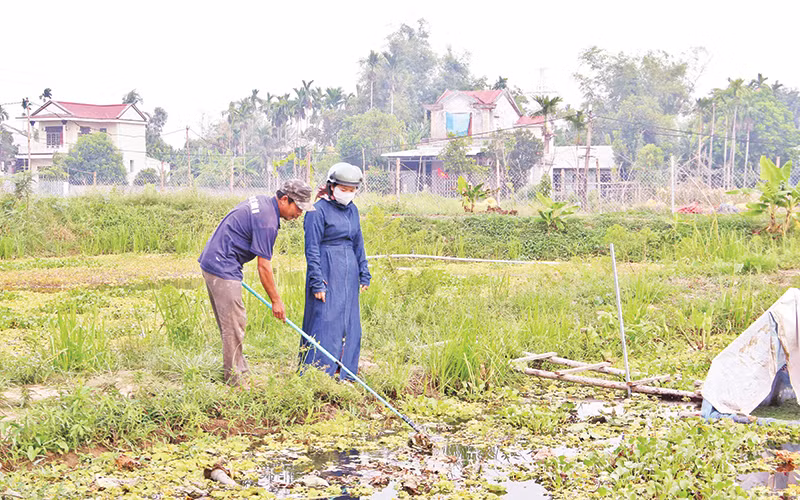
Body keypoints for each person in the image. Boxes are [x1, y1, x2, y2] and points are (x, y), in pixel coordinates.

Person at [199, 179, 315, 387]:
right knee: (234, 325)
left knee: (231, 326)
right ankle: (236, 382)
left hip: (215, 260)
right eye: (298, 207)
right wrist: (276, 301)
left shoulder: (263, 202)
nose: (299, 214)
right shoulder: (267, 221)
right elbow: (264, 267)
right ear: (284, 199)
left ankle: (239, 372)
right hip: (222, 265)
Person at [301, 162, 371, 381]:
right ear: (331, 187)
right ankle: (319, 372)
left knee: (349, 321)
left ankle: (345, 370)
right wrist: (317, 282)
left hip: (349, 269)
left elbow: (358, 242)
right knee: (326, 319)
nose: (347, 194)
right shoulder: (317, 211)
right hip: (327, 267)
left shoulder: (352, 210)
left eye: (352, 190)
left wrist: (364, 271)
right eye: (343, 189)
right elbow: (311, 248)